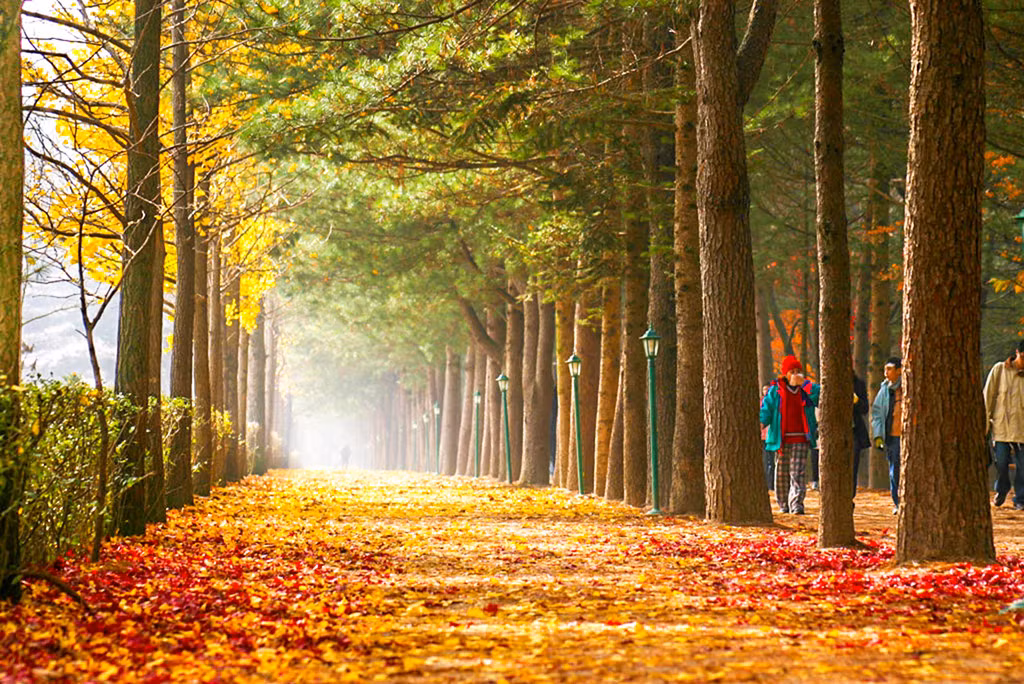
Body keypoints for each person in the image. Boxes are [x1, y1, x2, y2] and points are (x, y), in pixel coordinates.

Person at [760, 355, 819, 514]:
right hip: (781, 438)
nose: (795, 374)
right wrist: (761, 423)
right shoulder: (776, 390)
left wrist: (805, 383)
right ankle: (783, 504)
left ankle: (796, 505)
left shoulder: (806, 389)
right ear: (785, 374)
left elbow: (820, 395)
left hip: (801, 437)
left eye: (798, 371)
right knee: (781, 473)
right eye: (792, 371)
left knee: (798, 472)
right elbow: (767, 409)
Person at [983, 341, 1024, 510]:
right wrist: (984, 427)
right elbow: (988, 397)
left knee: (1023, 468)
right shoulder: (1000, 370)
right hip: (1001, 429)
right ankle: (1002, 488)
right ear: (1017, 353)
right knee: (1001, 463)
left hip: (1022, 430)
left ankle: (1020, 499)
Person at [871, 357, 903, 514]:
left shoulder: (908, 388)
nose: (886, 372)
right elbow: (877, 414)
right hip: (892, 438)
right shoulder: (884, 390)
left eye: (890, 369)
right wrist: (878, 436)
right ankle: (898, 503)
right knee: (894, 471)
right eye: (885, 369)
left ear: (899, 370)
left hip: (909, 438)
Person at [852, 370, 870, 497]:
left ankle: (849, 498)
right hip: (835, 433)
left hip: (854, 432)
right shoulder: (828, 382)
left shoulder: (858, 384)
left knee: (852, 468)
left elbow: (865, 409)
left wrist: (856, 401)